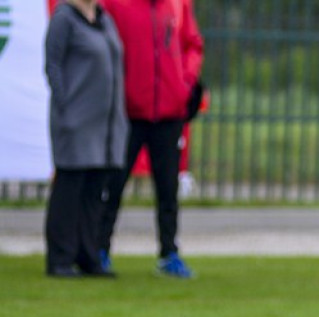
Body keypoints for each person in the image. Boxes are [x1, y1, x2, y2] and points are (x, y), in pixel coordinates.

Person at [98, 0, 204, 278]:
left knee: (168, 188)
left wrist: (185, 81)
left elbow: (192, 45)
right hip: (130, 111)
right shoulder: (116, 5)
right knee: (114, 183)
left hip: (169, 112)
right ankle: (100, 249)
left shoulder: (178, 5)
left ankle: (169, 253)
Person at [43, 0, 128, 278]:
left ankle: (88, 255)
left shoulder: (105, 20)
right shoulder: (64, 19)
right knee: (69, 190)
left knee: (94, 192)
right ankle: (60, 258)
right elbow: (52, 65)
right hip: (76, 122)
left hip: (104, 126)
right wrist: (66, 106)